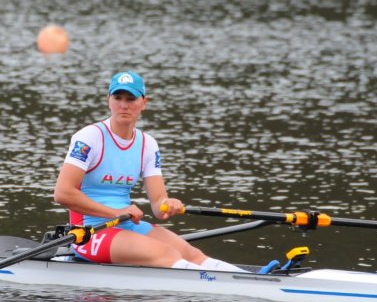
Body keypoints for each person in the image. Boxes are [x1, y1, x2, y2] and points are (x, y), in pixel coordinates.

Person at [54, 71, 248, 272]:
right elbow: (63, 193)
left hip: (126, 224)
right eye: (117, 98)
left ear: (144, 103)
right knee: (166, 254)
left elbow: (157, 205)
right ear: (108, 101)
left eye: (131, 99)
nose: (124, 105)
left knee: (192, 254)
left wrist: (168, 204)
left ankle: (251, 281)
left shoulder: (148, 144)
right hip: (90, 232)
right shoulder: (89, 137)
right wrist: (116, 212)